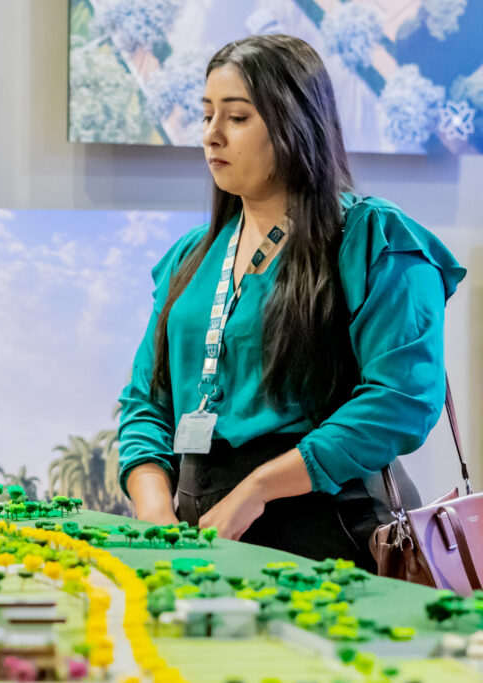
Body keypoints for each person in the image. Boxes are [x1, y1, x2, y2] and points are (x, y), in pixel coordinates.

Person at [117, 35, 465, 570]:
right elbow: (147, 400)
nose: (211, 134)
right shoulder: (191, 256)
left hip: (329, 536)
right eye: (206, 114)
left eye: (236, 117)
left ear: (294, 123)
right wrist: (155, 507)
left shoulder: (372, 237)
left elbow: (401, 398)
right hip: (198, 538)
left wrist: (259, 487)